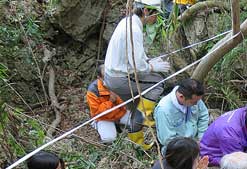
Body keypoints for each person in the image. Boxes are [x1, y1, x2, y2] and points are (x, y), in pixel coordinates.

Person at [104, 0, 170, 147]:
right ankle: (144, 118)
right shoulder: (134, 29)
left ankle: (137, 143)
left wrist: (149, 60)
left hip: (113, 75)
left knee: (136, 104)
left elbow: (135, 56)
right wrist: (153, 67)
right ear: (146, 11)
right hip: (120, 78)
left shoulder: (127, 22)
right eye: (155, 14)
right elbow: (138, 66)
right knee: (158, 82)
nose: (156, 18)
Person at [86, 65, 144, 144]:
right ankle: (97, 125)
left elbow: (126, 104)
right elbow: (97, 113)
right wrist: (110, 101)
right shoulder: (93, 91)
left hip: (119, 113)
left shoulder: (117, 83)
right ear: (99, 78)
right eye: (105, 77)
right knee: (109, 139)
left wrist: (118, 98)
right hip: (103, 119)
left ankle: (118, 124)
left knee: (141, 119)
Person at [154, 78, 209, 154]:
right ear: (181, 97)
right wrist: (192, 146)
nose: (196, 104)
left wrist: (201, 137)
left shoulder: (193, 97)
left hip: (196, 141)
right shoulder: (164, 110)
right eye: (194, 102)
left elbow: (203, 115)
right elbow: (168, 140)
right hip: (177, 149)